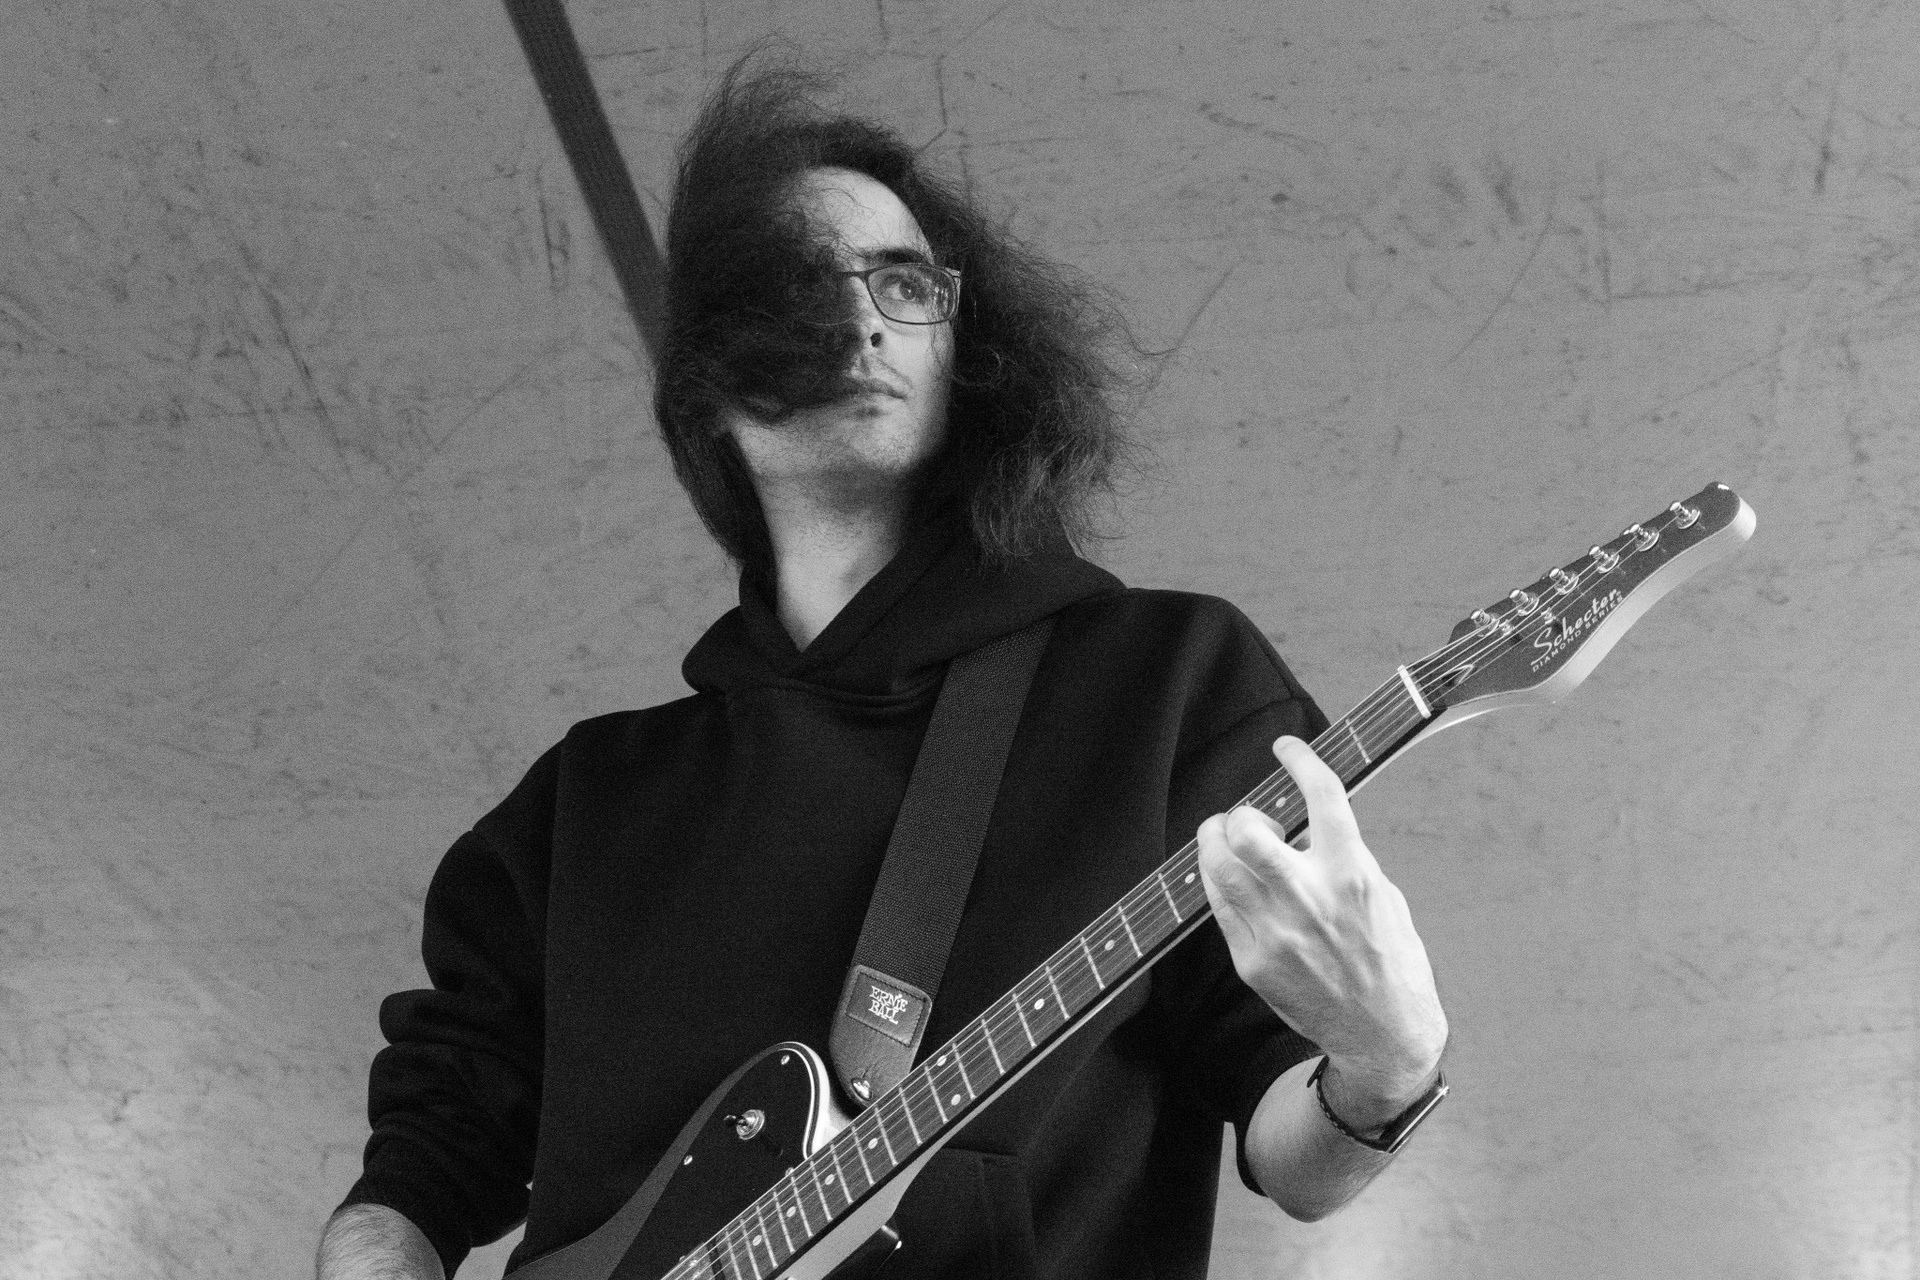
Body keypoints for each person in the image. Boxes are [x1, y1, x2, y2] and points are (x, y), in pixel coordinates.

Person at [319, 61, 1447, 1280]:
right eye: (805, 284)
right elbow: (420, 1169)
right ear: (708, 374)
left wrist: (1385, 1066)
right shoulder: (586, 803)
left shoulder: (1160, 684)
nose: (865, 322)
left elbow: (1296, 1149)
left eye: (905, 283)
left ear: (964, 346)